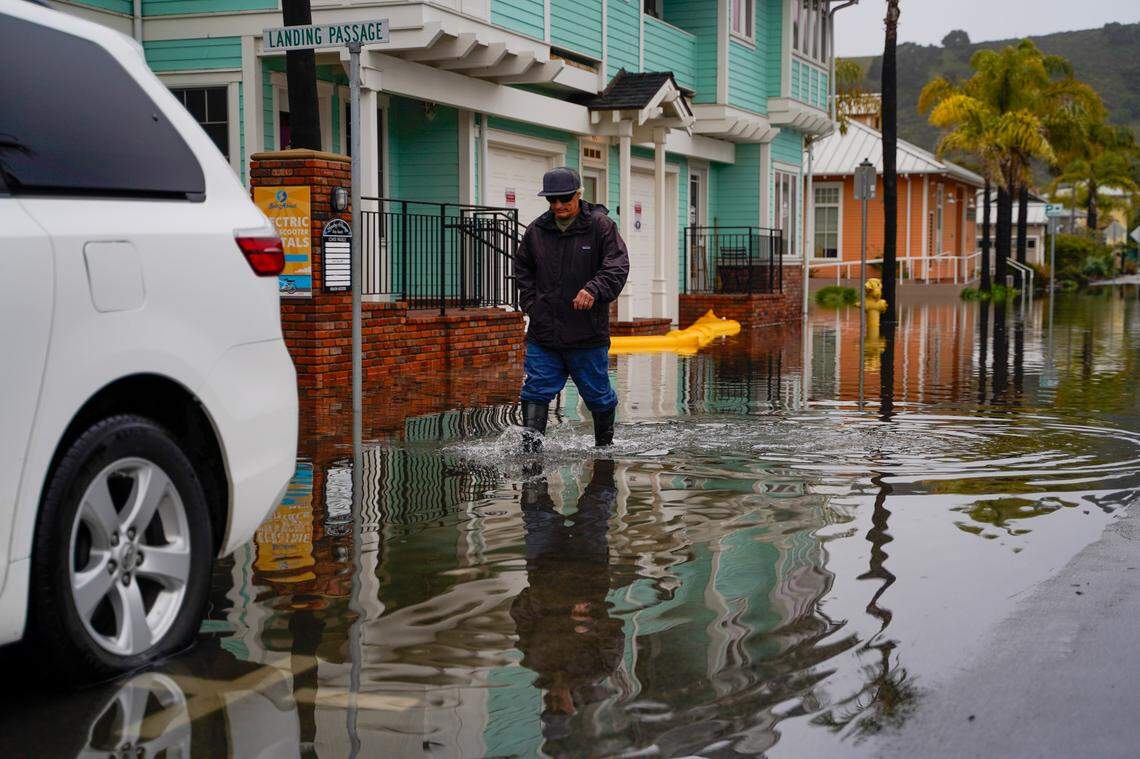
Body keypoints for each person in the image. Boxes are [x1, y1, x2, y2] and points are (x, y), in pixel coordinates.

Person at [514, 167, 630, 450]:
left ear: (578, 194)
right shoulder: (536, 231)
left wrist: (594, 289)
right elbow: (523, 271)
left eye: (564, 198)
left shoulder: (601, 227)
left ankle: (604, 449)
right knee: (535, 391)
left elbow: (617, 267)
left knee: (598, 395)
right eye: (552, 200)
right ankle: (530, 455)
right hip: (545, 334)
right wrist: (532, 304)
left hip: (587, 334)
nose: (558, 205)